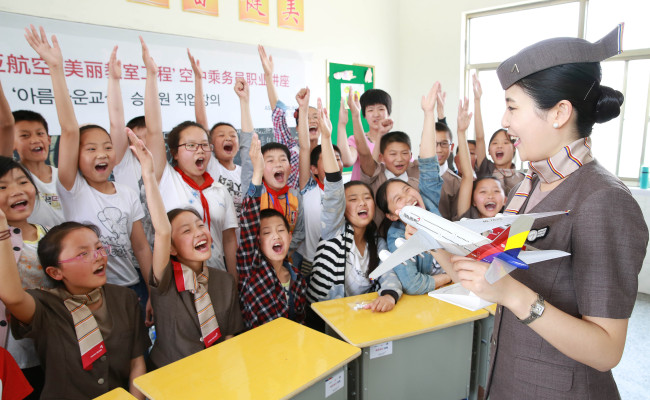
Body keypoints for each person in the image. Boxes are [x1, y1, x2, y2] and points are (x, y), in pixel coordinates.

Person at [441, 25, 648, 399]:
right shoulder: (530, 184)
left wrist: (512, 295)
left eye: (512, 107)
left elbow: (606, 351)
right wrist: (441, 248)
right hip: (511, 379)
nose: (504, 121)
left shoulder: (603, 199)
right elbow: (504, 270)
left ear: (559, 113)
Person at [26, 26, 153, 324]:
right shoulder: (72, 187)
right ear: (75, 157)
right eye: (91, 148)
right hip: (87, 292)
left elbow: (141, 247)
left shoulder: (126, 192)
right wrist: (56, 68)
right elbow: (70, 130)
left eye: (107, 148)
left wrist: (152, 292)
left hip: (132, 289)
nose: (102, 154)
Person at [127, 129, 243, 369]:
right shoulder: (165, 281)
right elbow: (162, 230)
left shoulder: (224, 281)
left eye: (200, 225)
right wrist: (148, 174)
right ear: (170, 247)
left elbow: (230, 335)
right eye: (186, 231)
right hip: (174, 379)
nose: (199, 232)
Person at [308, 100, 402, 310]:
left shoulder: (377, 241)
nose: (362, 203)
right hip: (324, 319)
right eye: (353, 199)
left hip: (359, 316)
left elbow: (389, 273)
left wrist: (389, 295)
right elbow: (333, 185)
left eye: (367, 198)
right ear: (343, 207)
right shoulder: (334, 230)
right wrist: (326, 136)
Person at [374, 82, 450, 294]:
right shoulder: (397, 237)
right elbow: (414, 284)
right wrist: (452, 277)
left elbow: (427, 163)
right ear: (391, 216)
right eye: (398, 199)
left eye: (407, 190)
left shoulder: (429, 202)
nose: (408, 198)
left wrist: (428, 114)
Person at [237, 133, 307, 330]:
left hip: (289, 259)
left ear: (290, 167)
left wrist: (282, 253)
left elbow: (299, 231)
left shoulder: (296, 278)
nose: (278, 164)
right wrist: (256, 171)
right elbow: (249, 225)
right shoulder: (252, 271)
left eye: (283, 159)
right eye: (266, 232)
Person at [0, 157, 52, 399]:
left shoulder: (48, 234)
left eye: (23, 181)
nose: (17, 191)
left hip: (49, 347)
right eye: (2, 187)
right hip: (13, 355)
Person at [0, 80, 65, 228]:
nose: (35, 140)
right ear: (12, 143)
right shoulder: (11, 175)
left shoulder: (64, 175)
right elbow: (6, 124)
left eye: (40, 133)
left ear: (49, 139)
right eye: (25, 135)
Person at [189, 49, 243, 220]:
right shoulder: (212, 166)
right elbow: (201, 125)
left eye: (232, 135)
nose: (228, 138)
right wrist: (198, 80)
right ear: (210, 145)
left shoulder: (244, 172)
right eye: (221, 135)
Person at [258, 45, 320, 190]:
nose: (311, 121)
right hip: (289, 206)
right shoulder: (290, 147)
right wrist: (268, 77)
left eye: (315, 117)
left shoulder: (327, 154)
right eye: (306, 118)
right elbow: (278, 116)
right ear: (298, 127)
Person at [473, 74, 524, 195]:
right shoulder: (486, 169)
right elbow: (480, 138)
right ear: (489, 151)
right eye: (495, 143)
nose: (499, 146)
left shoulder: (523, 178)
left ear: (514, 148)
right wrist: (477, 100)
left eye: (506, 142)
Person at [454, 103, 506, 220]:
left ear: (505, 200)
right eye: (483, 192)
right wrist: (461, 133)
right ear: (473, 201)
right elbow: (468, 175)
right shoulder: (468, 218)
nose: (490, 196)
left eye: (496, 191)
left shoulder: (509, 225)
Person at [337, 88, 394, 181]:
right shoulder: (357, 140)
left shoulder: (396, 141)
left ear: (388, 112)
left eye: (381, 109)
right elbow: (346, 161)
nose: (376, 114)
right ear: (364, 115)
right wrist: (342, 124)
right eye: (370, 110)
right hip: (362, 194)